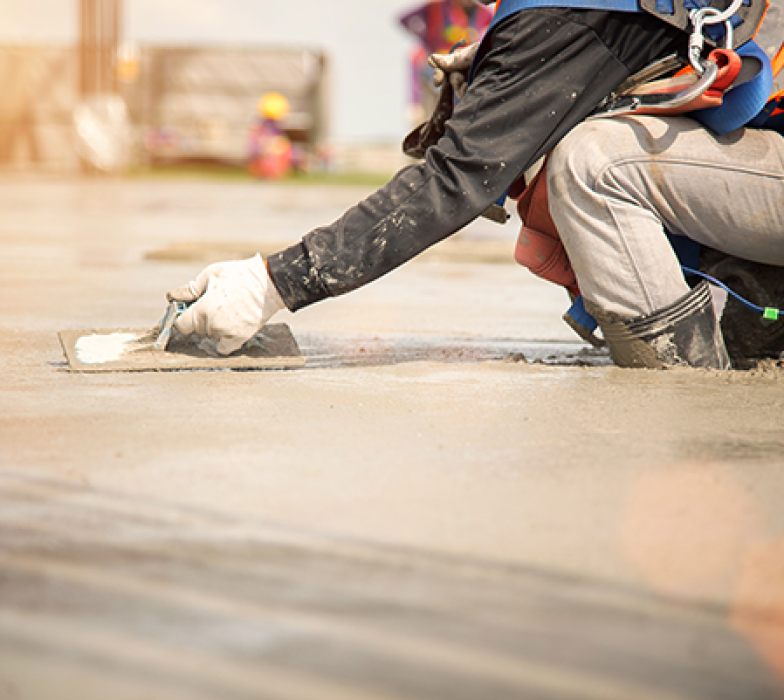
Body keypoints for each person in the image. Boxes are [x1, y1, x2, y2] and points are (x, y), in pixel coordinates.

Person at [166, 0, 784, 369]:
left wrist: (274, 282)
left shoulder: (566, 15)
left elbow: (455, 179)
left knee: (593, 163)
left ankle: (687, 387)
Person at [399, 0, 493, 122]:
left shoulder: (483, 12)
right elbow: (405, 19)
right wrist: (425, 38)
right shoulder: (436, 7)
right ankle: (417, 105)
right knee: (417, 58)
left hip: (467, 61)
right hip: (439, 59)